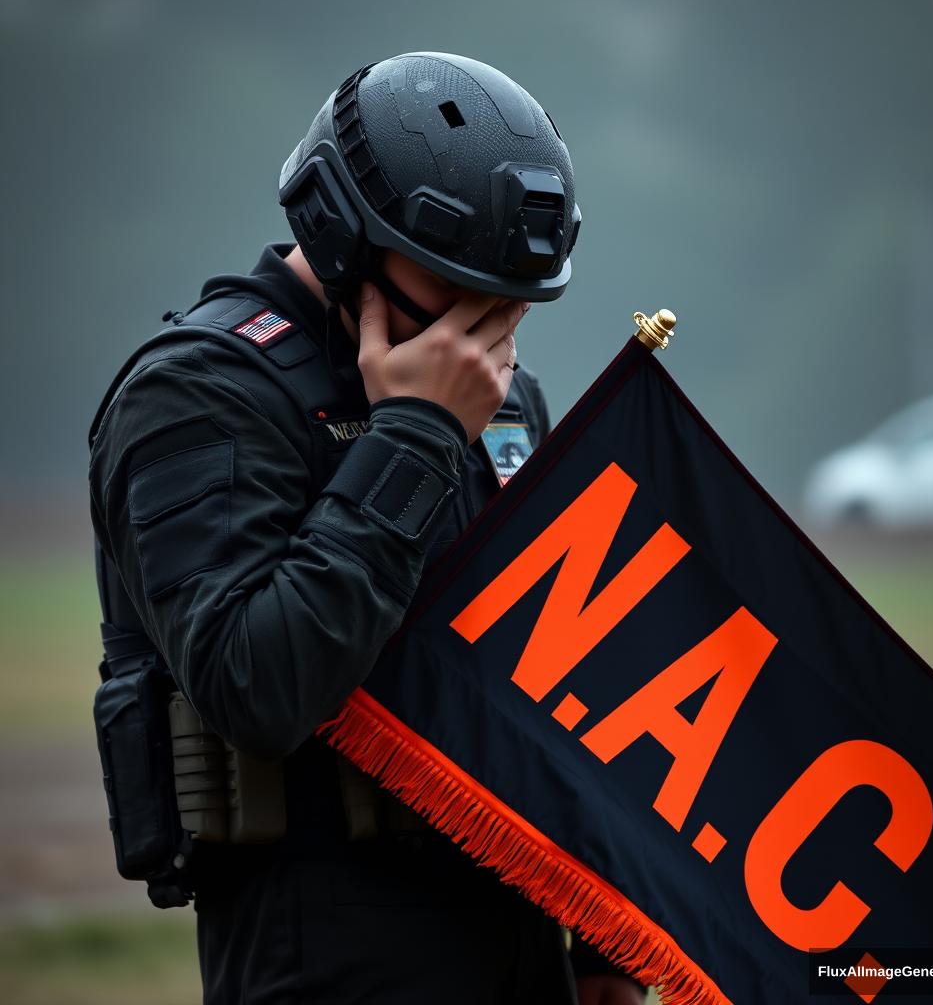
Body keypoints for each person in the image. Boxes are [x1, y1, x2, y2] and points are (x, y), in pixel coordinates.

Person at [89, 52, 644, 1004]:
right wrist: (419, 434)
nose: (487, 326)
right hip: (324, 948)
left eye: (512, 299)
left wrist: (606, 935)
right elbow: (257, 684)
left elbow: (571, 667)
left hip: (522, 927)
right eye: (452, 284)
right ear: (342, 229)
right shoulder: (198, 392)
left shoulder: (507, 399)